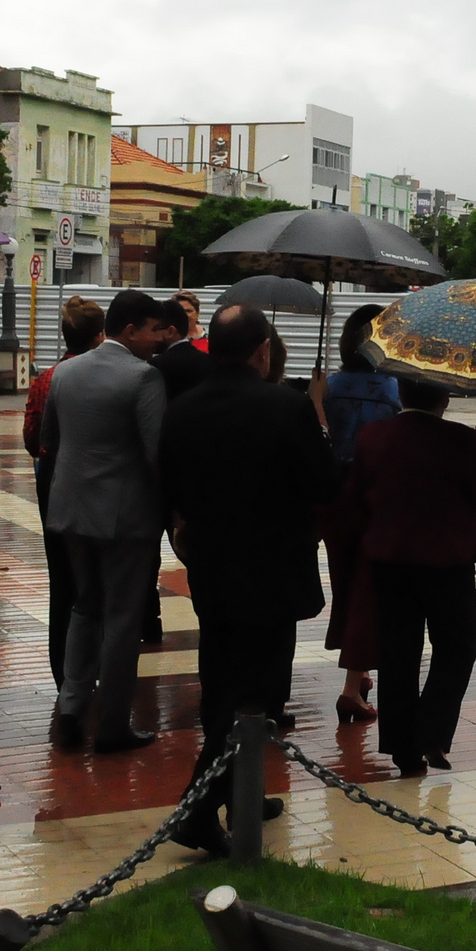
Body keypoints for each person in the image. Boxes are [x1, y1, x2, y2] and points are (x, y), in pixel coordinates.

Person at [161, 305, 338, 855]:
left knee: (220, 684)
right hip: (272, 571)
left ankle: (247, 796)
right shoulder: (287, 406)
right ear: (263, 350)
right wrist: (319, 418)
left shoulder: (182, 409)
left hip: (213, 567)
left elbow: (168, 484)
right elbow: (325, 484)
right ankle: (197, 808)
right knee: (256, 695)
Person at [339, 377, 476, 777]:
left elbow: (356, 497)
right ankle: (430, 732)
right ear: (445, 397)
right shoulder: (461, 439)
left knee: (398, 653)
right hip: (450, 563)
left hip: (391, 560)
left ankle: (402, 750)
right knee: (457, 648)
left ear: (401, 394)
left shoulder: (374, 435)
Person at [40, 289, 168, 752]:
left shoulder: (63, 372)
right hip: (126, 518)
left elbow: (47, 439)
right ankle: (113, 722)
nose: (159, 338)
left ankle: (72, 705)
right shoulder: (144, 378)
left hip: (71, 511)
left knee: (84, 606)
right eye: (154, 329)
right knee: (121, 618)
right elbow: (157, 454)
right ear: (130, 329)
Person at [321, 304, 399, 724]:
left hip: (336, 502)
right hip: (376, 501)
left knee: (346, 586)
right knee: (369, 594)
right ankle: (352, 685)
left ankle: (359, 672)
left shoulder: (329, 387)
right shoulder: (391, 389)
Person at [23, 296, 106, 690]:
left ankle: (64, 675)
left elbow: (32, 436)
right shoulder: (106, 377)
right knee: (99, 581)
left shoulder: (47, 379)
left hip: (52, 480)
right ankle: (96, 669)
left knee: (63, 582)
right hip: (97, 486)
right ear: (100, 335)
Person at [153, 297, 211, 400]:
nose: (150, 336)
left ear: (171, 332)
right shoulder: (208, 361)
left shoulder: (157, 366)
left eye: (154, 330)